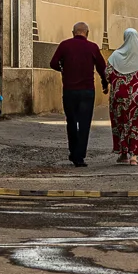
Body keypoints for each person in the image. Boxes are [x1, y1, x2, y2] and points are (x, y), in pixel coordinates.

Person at [48, 21, 108, 166]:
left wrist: (63, 68)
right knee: (84, 123)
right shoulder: (92, 47)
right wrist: (105, 82)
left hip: (69, 90)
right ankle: (79, 156)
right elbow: (102, 67)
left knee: (71, 121)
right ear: (87, 33)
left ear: (73, 32)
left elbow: (53, 63)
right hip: (87, 91)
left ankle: (73, 151)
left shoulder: (65, 45)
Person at [107, 28, 138, 165]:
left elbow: (107, 74)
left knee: (120, 123)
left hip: (118, 97)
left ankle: (123, 154)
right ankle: (134, 156)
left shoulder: (115, 56)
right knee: (136, 124)